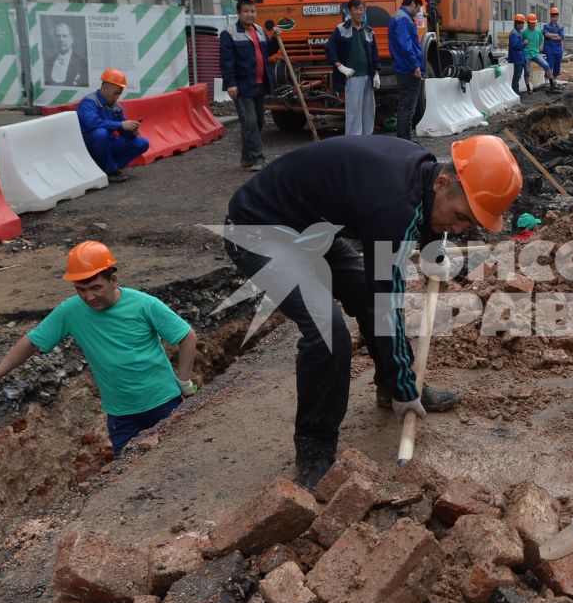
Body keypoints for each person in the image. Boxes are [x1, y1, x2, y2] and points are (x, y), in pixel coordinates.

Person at [223, 134, 523, 487]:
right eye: (459, 217)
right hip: (258, 230)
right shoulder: (393, 204)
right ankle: (315, 448)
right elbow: (388, 305)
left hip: (307, 229)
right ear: (443, 182)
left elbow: (427, 216)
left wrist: (432, 250)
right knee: (328, 331)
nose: (457, 230)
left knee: (366, 296)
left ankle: (390, 387)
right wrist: (406, 383)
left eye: (467, 225)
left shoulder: (423, 172)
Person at [0, 242, 198, 455]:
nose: (89, 297)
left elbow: (186, 336)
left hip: (165, 403)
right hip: (121, 414)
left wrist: (184, 383)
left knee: (177, 464)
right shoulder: (70, 311)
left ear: (113, 280)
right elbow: (32, 342)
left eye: (95, 287)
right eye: (80, 289)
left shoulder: (143, 304)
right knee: (129, 478)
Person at [219, 0, 271, 170]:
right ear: (239, 13)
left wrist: (277, 39)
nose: (250, 14)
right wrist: (231, 83)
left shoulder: (260, 31)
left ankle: (246, 158)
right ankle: (258, 158)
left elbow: (268, 51)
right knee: (249, 121)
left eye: (253, 11)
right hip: (242, 85)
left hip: (260, 83)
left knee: (258, 121)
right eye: (246, 11)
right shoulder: (230, 32)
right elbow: (226, 61)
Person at [77, 70, 148, 181]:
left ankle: (108, 166)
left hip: (107, 144)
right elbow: (93, 123)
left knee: (142, 143)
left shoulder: (115, 106)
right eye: (116, 93)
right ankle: (110, 171)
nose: (117, 97)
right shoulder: (89, 102)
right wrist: (121, 124)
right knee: (100, 133)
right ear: (105, 88)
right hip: (89, 146)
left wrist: (132, 131)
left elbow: (123, 130)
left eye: (119, 93)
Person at [327, 0, 383, 137]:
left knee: (369, 112)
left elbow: (375, 53)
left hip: (367, 76)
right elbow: (329, 48)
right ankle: (354, 143)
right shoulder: (341, 29)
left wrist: (376, 73)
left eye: (361, 9)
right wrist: (340, 66)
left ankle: (367, 141)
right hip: (352, 78)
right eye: (356, 9)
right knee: (354, 112)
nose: (359, 12)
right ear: (349, 11)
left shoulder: (369, 31)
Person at [388, 0, 427, 140]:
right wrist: (415, 66)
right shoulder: (404, 19)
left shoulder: (397, 17)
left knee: (404, 106)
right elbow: (406, 45)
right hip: (408, 69)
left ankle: (402, 139)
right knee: (408, 108)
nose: (419, 11)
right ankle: (406, 141)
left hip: (402, 68)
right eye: (419, 7)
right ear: (414, 3)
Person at [47, 20, 87, 88]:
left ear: (72, 39)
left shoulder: (82, 63)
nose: (61, 39)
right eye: (58, 36)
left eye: (64, 36)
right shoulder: (48, 62)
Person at [506, 13, 529, 94]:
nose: (523, 25)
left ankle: (516, 91)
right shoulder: (514, 33)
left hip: (520, 58)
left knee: (518, 76)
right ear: (517, 23)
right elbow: (516, 46)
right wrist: (524, 43)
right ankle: (515, 92)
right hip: (517, 58)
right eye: (522, 23)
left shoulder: (518, 32)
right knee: (517, 76)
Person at [543, 7, 566, 83]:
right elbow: (546, 34)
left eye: (556, 17)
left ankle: (555, 79)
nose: (555, 18)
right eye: (553, 17)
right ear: (550, 16)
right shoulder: (546, 26)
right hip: (549, 49)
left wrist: (551, 36)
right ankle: (547, 80)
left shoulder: (560, 27)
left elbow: (561, 37)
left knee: (557, 65)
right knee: (549, 65)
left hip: (558, 50)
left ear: (558, 17)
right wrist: (556, 35)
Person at [523, 13, 545, 89]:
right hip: (526, 54)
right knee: (527, 71)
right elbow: (520, 43)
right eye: (531, 23)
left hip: (535, 54)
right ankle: (528, 87)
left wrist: (540, 47)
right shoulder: (524, 32)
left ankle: (551, 83)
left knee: (546, 65)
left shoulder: (538, 32)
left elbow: (541, 42)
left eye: (534, 23)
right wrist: (524, 43)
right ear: (528, 23)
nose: (533, 25)